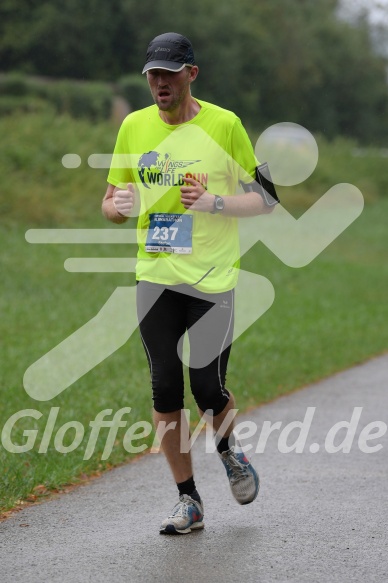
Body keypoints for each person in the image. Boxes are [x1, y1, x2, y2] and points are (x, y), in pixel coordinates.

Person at [102, 32, 276, 535]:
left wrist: (216, 203)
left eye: (169, 74)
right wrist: (119, 208)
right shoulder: (134, 127)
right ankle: (189, 501)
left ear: (191, 75)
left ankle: (230, 453)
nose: (159, 83)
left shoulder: (225, 125)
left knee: (206, 384)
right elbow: (110, 201)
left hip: (211, 277)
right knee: (163, 389)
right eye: (152, 74)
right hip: (154, 275)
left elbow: (266, 198)